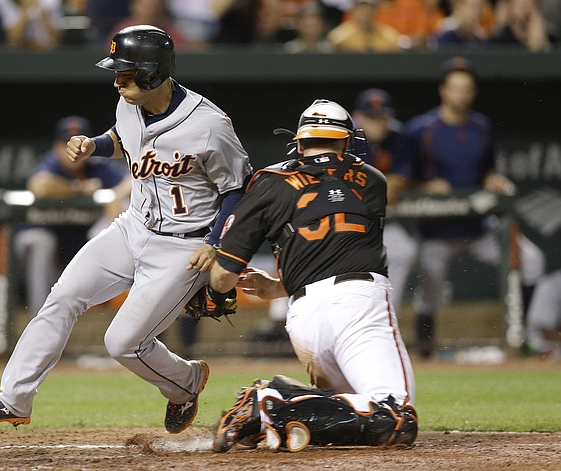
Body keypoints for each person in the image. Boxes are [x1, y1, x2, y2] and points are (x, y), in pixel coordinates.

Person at [0, 25, 252, 433]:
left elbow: (239, 189)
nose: (117, 80)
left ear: (153, 72)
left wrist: (219, 244)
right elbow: (124, 138)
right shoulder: (129, 104)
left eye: (126, 71)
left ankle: (186, 382)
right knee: (62, 296)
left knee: (122, 344)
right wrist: (94, 144)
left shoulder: (208, 125)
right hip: (132, 226)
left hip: (183, 247)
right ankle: (13, 400)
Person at [204, 99, 417, 452]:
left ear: (300, 143)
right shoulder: (374, 180)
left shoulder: (269, 181)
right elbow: (339, 242)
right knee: (393, 414)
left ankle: (272, 400)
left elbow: (223, 278)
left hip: (302, 320)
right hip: (359, 306)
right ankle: (271, 404)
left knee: (343, 406)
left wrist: (271, 288)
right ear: (347, 142)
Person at [401, 57, 544, 358]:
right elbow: (403, 179)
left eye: (467, 89)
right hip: (437, 230)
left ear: (473, 93)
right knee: (430, 293)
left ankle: (519, 334)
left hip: (479, 227)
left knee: (532, 261)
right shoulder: (421, 129)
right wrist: (425, 186)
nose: (461, 95)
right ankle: (426, 353)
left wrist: (494, 180)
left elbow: (486, 171)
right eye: (455, 89)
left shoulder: (481, 126)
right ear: (443, 91)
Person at [14, 116, 130, 318]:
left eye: (79, 142)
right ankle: (40, 321)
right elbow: (39, 185)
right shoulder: (52, 163)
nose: (74, 149)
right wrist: (79, 188)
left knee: (107, 230)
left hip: (72, 243)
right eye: (66, 143)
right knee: (42, 243)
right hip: (38, 240)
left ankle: (105, 312)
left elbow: (133, 180)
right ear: (57, 146)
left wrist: (114, 195)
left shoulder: (96, 165)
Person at [352, 88, 417, 312]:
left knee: (403, 251)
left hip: (375, 221)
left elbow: (398, 184)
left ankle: (386, 315)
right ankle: (280, 320)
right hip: (336, 218)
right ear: (358, 116)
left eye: (383, 118)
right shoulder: (343, 137)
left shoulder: (397, 137)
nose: (379, 123)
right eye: (372, 118)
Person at [327, 0, 405, 52]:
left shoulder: (389, 34)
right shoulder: (340, 36)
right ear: (353, 10)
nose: (366, 12)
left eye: (370, 8)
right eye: (362, 8)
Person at [0, 0, 64, 50]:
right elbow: (12, 38)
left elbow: (56, 38)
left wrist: (43, 15)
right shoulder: (2, 3)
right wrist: (26, 9)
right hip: (15, 57)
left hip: (47, 55)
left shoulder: (51, 2)